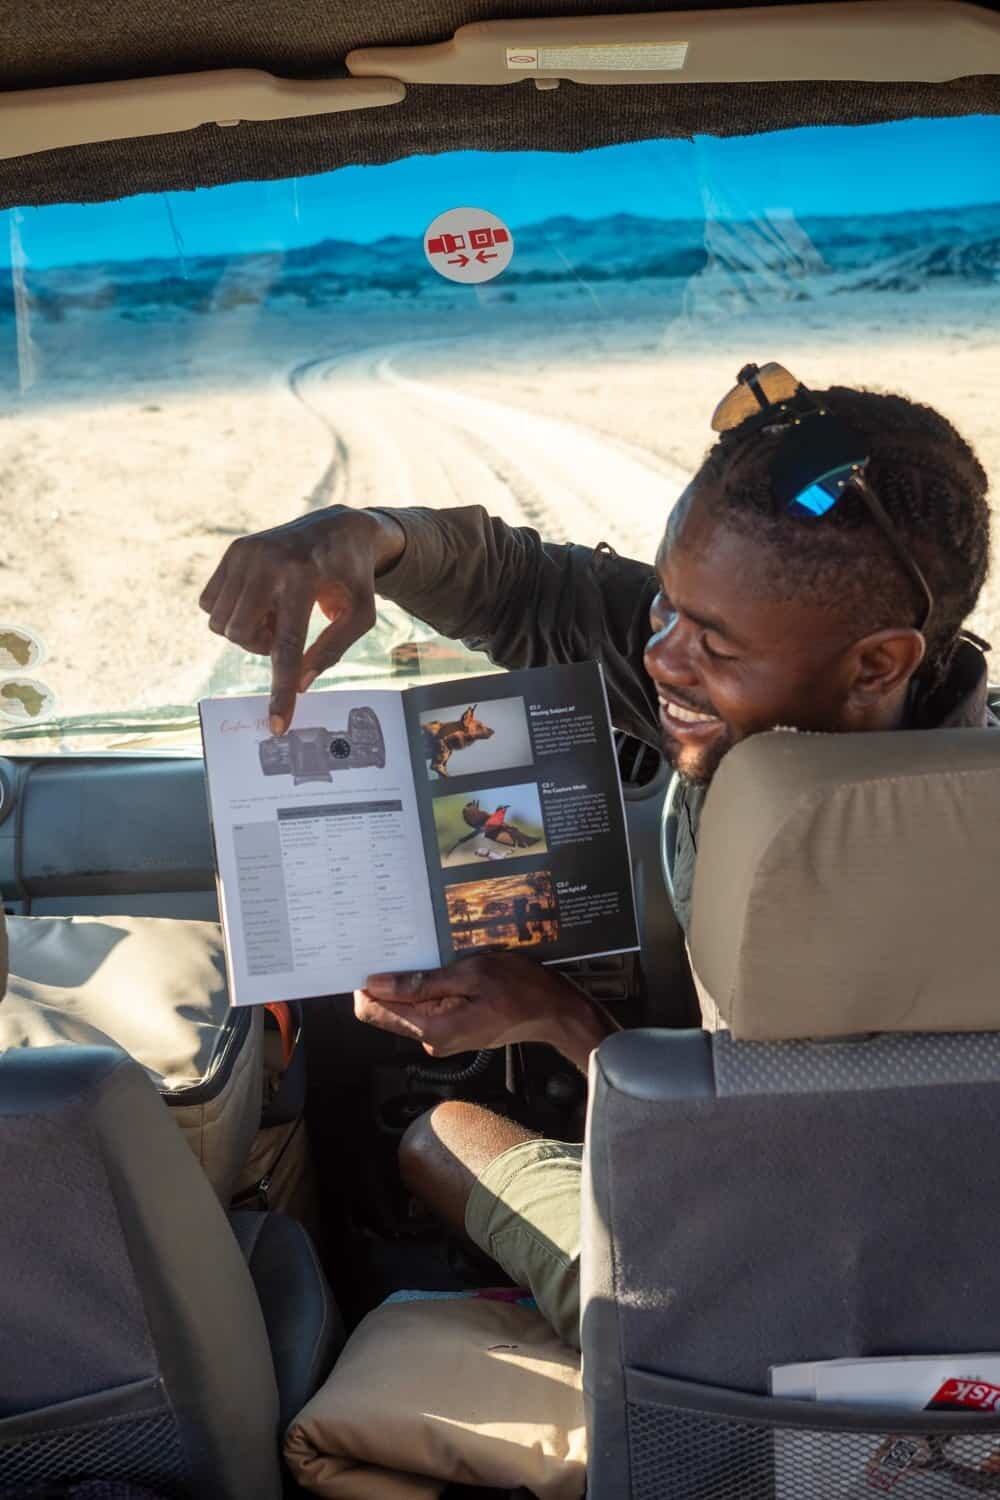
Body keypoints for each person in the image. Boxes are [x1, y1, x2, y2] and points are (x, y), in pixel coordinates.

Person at [200, 366, 995, 1348]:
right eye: (664, 606)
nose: (659, 656)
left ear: (878, 664)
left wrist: (562, 1020)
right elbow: (526, 586)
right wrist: (364, 534)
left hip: (792, 1309)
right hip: (775, 1216)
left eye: (707, 639)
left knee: (440, 1143)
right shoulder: (760, 654)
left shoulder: (956, 861)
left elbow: (780, 1185)